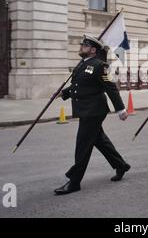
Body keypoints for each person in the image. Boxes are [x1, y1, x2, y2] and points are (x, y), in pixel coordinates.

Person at [54, 35, 130, 195]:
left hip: (94, 111)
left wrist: (121, 109)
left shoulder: (100, 66)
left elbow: (111, 87)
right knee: (99, 140)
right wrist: (64, 93)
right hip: (85, 109)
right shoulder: (82, 64)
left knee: (83, 145)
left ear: (93, 50)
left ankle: (74, 181)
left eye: (85, 45)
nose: (81, 47)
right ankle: (121, 165)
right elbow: (79, 85)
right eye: (82, 44)